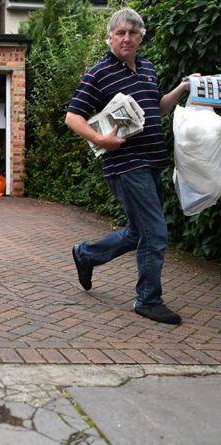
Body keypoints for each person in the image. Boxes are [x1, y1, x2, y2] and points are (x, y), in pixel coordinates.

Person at [65, 7, 195, 325]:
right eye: (120, 32)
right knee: (155, 233)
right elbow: (73, 116)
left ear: (140, 37)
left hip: (152, 162)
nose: (127, 38)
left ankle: (86, 254)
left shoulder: (148, 68)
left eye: (133, 33)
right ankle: (148, 299)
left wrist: (181, 89)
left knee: (140, 232)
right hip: (125, 164)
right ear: (110, 36)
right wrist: (101, 139)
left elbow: (157, 109)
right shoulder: (99, 72)